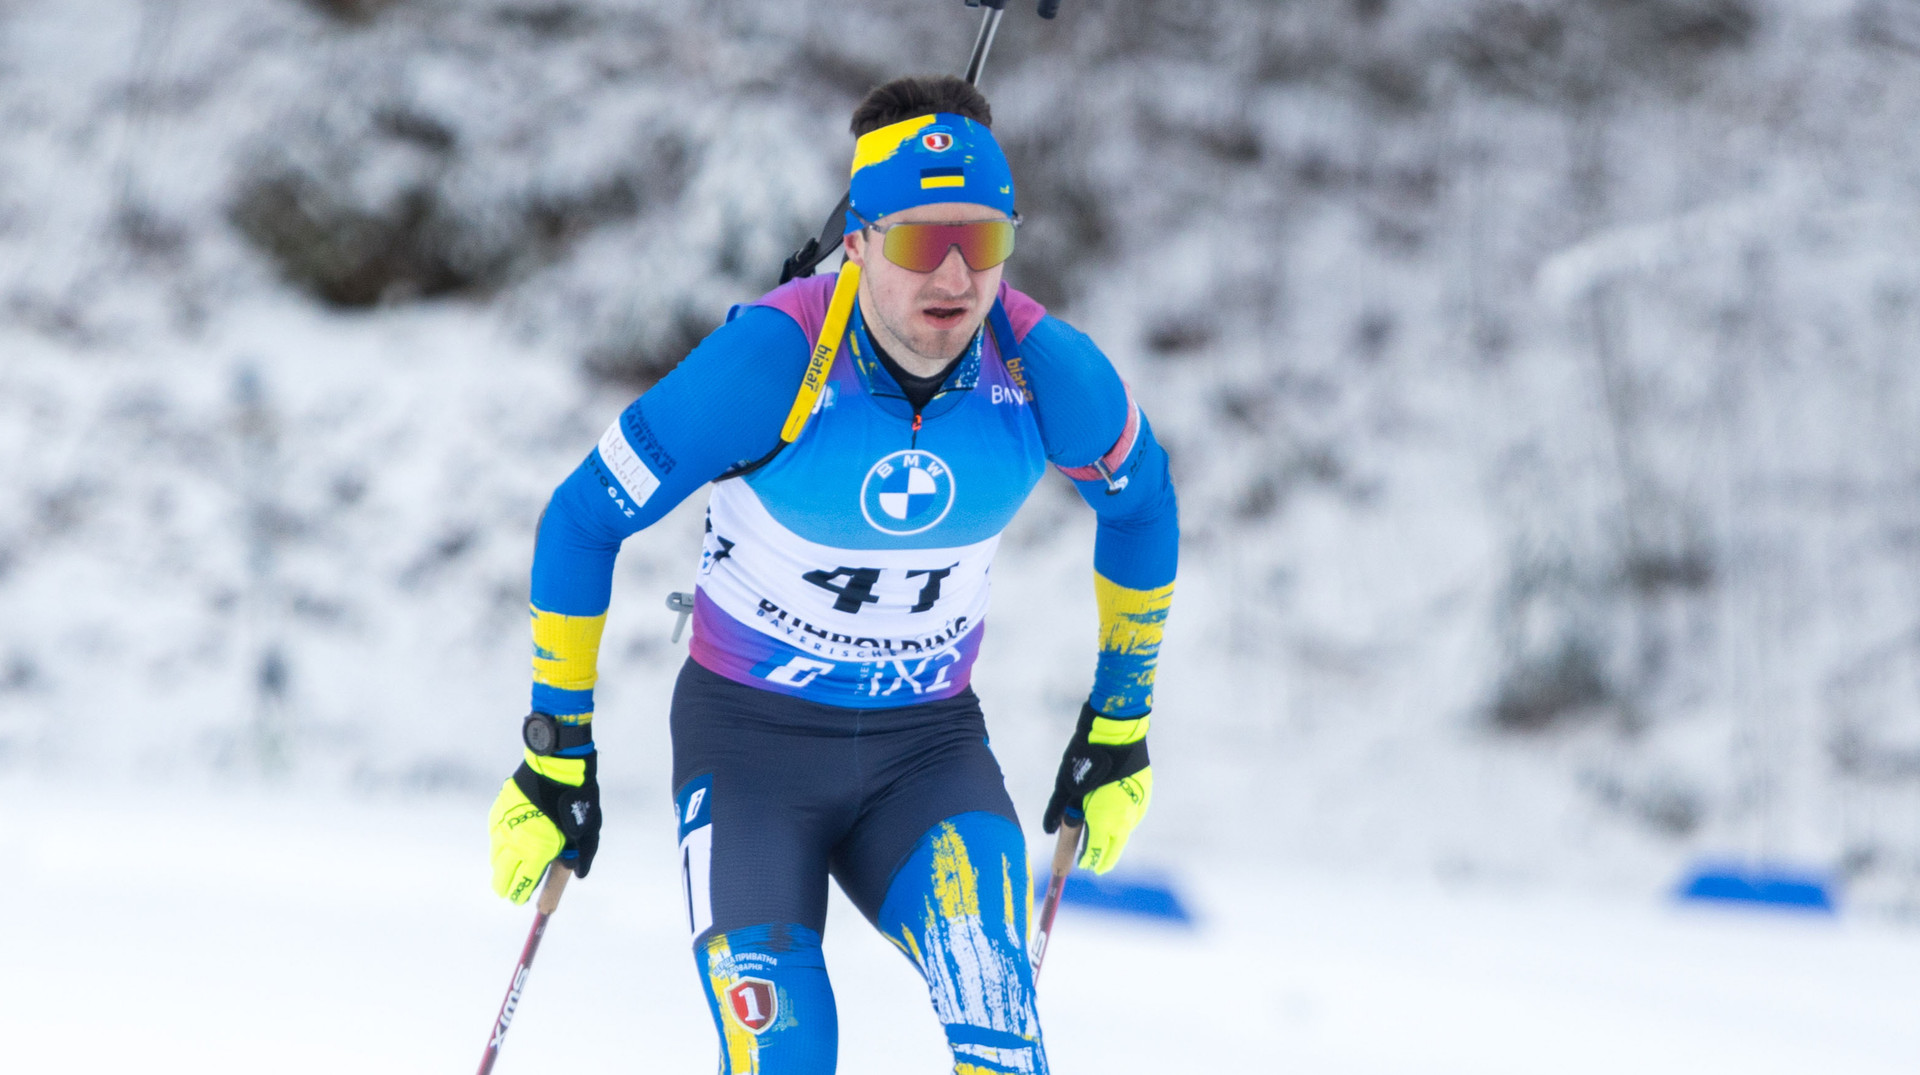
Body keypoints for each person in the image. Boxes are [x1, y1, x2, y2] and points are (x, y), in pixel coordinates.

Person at [485, 74, 1177, 1075]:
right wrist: (556, 749)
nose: (952, 276)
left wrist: (1120, 723)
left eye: (980, 240)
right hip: (752, 751)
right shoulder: (773, 360)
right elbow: (582, 518)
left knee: (1004, 1054)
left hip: (927, 755)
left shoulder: (1041, 370)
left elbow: (1143, 506)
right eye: (917, 240)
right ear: (856, 241)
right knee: (786, 1058)